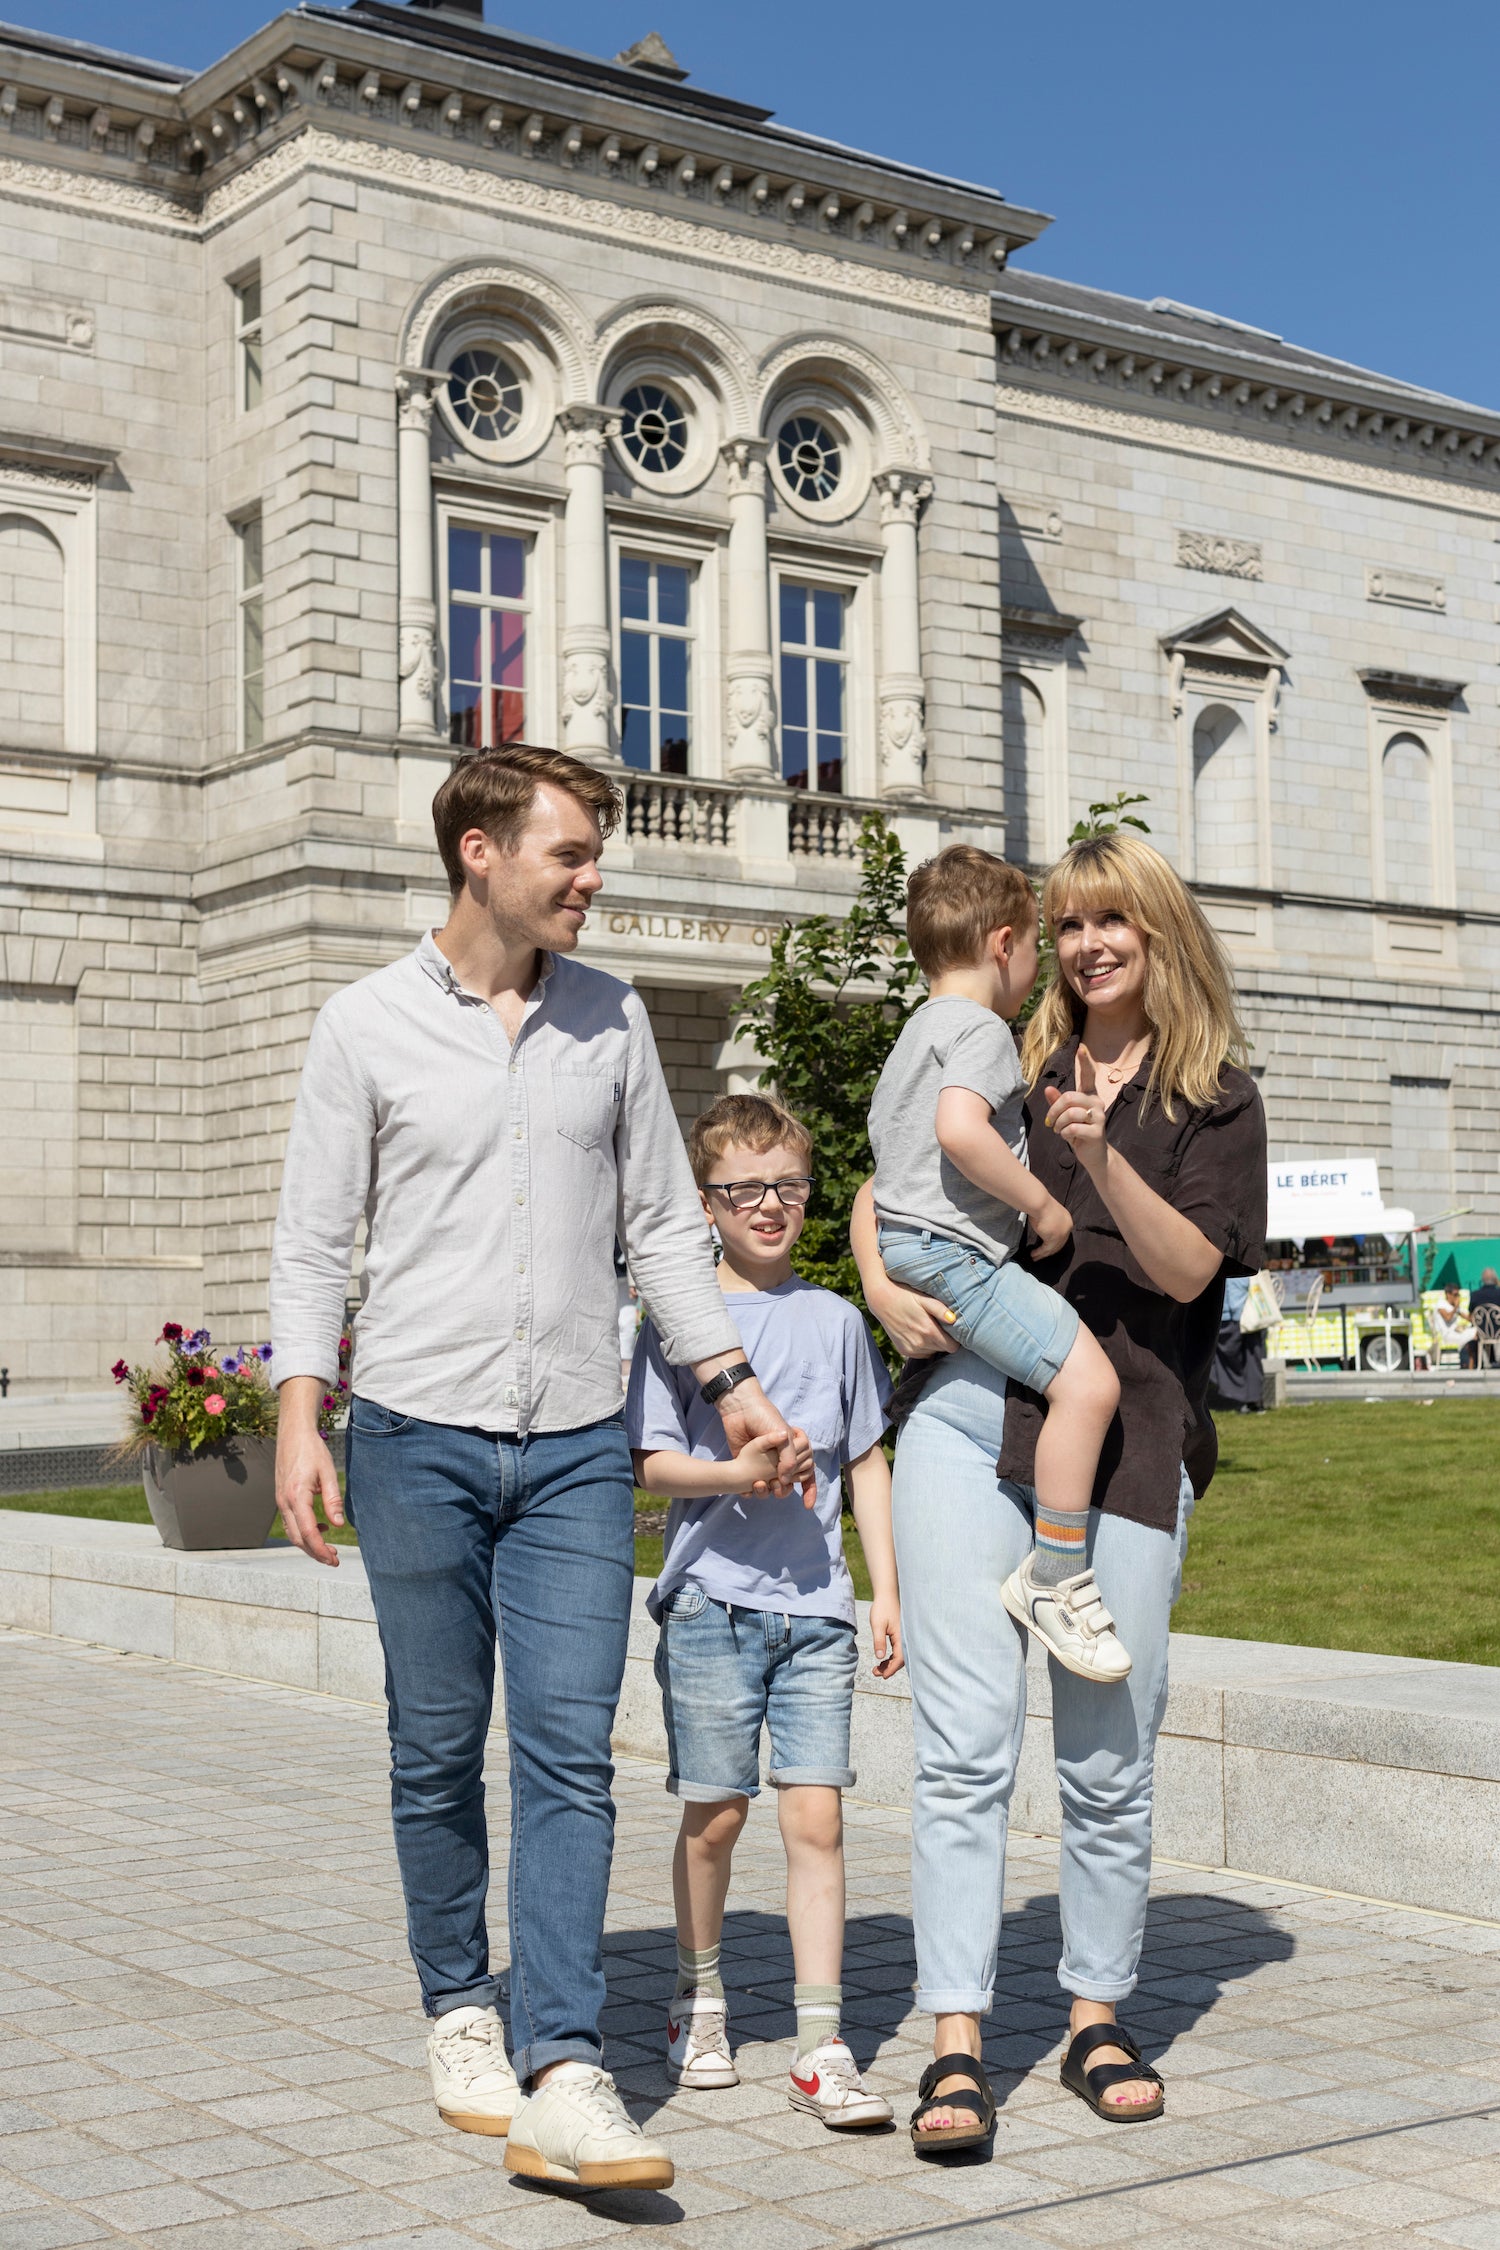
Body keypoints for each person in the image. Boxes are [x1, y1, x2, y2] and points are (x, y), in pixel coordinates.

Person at [269, 746, 810, 2197]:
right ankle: (460, 2002)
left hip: (576, 1441)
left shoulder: (612, 1018)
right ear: (478, 854)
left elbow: (659, 1235)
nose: (592, 877)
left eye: (593, 853)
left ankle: (566, 2064)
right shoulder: (364, 1024)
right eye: (568, 852)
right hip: (414, 1431)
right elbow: (318, 1237)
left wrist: (736, 1388)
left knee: (571, 1749)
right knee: (436, 1743)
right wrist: (297, 1409)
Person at [852, 830, 1266, 2150]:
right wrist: (874, 1275)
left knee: (1104, 1751)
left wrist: (1099, 1152)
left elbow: (1190, 1270)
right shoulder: (1000, 1056)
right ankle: (957, 2037)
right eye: (1073, 925)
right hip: (974, 1408)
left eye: (1115, 925)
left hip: (1128, 1431)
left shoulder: (1216, 1096)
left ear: (1160, 937)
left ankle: (1094, 2011)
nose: (1089, 947)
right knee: (963, 1746)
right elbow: (887, 1184)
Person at [627, 1094, 901, 2131]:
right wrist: (732, 1474)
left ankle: (822, 2042)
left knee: (816, 1816)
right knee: (717, 1813)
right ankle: (696, 2002)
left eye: (787, 1184)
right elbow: (648, 1464)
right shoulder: (680, 1324)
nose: (769, 1206)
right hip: (710, 1609)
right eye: (744, 1189)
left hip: (818, 1611)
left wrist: (884, 1589)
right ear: (706, 1204)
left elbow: (866, 1461)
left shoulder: (836, 1321)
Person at [870, 845, 1124, 1680]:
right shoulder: (982, 1029)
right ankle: (1055, 1574)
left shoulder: (915, 1032)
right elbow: (959, 1131)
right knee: (1087, 1385)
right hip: (955, 1255)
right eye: (1035, 957)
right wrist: (1042, 1204)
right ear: (1005, 944)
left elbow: (890, 1164)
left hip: (912, 1246)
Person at [1210, 1272, 1264, 1411]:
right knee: (1252, 1355)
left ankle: (1239, 1398)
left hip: (1233, 1315)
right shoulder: (1246, 1258)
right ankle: (1253, 1400)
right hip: (1252, 1314)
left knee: (1222, 1354)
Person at [1430, 1282, 1477, 1369]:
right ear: (1448, 1294)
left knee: (1476, 1334)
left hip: (1456, 1333)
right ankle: (1474, 1365)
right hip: (1447, 1335)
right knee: (1476, 1334)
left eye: (1458, 1294)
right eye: (1455, 1294)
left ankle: (1472, 1366)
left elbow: (1468, 1318)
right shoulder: (1441, 1304)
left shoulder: (1454, 1306)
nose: (1457, 1297)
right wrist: (1456, 1307)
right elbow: (1447, 1318)